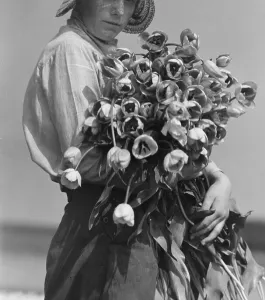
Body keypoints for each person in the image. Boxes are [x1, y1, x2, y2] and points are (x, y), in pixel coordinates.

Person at [23, 0, 232, 299]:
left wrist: (218, 177)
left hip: (130, 230)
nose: (119, 11)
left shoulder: (109, 56)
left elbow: (162, 135)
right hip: (98, 233)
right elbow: (84, 160)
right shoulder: (71, 50)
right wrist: (177, 174)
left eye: (129, 1)